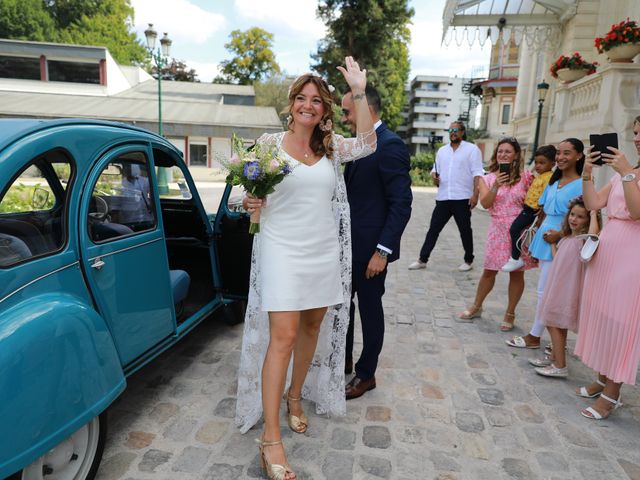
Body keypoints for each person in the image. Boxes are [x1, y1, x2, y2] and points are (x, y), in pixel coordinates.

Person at [234, 57, 376, 480]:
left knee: (313, 325)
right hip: (280, 249)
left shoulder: (332, 148)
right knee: (284, 336)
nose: (308, 105)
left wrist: (360, 90)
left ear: (325, 109)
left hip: (323, 251)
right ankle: (271, 438)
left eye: (316, 100)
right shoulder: (267, 144)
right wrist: (249, 202)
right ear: (291, 104)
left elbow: (368, 141)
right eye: (302, 98)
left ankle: (295, 396)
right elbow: (239, 192)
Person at [341, 86, 413, 400]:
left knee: (370, 311)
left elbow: (401, 203)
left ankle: (366, 374)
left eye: (347, 111)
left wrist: (382, 251)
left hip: (371, 252)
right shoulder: (358, 145)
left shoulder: (390, 145)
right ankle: (340, 362)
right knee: (341, 307)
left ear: (365, 109)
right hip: (345, 248)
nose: (344, 118)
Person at [574, 115, 640, 420]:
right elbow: (593, 204)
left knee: (621, 323)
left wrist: (627, 173)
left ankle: (612, 394)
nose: (637, 139)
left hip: (632, 256)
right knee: (603, 314)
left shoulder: (626, 172)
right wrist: (587, 175)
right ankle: (601, 379)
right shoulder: (623, 173)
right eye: (636, 133)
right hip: (608, 251)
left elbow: (637, 211)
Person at [506, 139, 584, 349]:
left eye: (567, 153)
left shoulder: (583, 184)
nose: (560, 157)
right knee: (548, 290)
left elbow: (583, 217)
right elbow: (542, 211)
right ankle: (555, 342)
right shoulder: (552, 181)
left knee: (550, 292)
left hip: (563, 240)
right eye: (559, 153)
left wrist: (560, 234)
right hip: (545, 237)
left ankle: (535, 336)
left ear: (579, 155)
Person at [459, 137, 536, 330]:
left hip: (519, 230)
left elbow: (534, 202)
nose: (503, 154)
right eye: (500, 151)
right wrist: (496, 186)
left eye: (508, 151)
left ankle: (510, 313)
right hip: (497, 229)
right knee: (489, 271)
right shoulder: (487, 178)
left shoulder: (526, 177)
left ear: (516, 154)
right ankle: (477, 306)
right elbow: (485, 203)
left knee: (517, 274)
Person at [529, 197, 600, 378]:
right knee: (557, 323)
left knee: (552, 322)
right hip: (557, 283)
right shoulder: (568, 237)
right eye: (572, 215)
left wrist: (593, 214)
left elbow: (593, 239)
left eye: (580, 217)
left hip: (568, 288)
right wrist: (553, 243)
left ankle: (560, 365)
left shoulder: (585, 242)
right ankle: (554, 358)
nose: (574, 219)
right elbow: (558, 256)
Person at [408, 121, 483, 272]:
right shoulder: (442, 151)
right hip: (443, 197)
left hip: (462, 197)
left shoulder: (472, 150)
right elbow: (435, 171)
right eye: (450, 130)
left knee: (465, 230)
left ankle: (468, 260)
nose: (453, 132)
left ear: (462, 132)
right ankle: (422, 259)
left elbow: (477, 174)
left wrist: (475, 195)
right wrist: (434, 178)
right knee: (433, 229)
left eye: (456, 130)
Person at [501, 145, 556, 272]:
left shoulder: (549, 177)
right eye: (536, 162)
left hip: (532, 211)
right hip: (527, 209)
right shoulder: (540, 176)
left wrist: (543, 208)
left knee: (515, 229)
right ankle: (527, 255)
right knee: (524, 232)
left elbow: (549, 195)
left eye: (542, 163)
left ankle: (515, 258)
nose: (537, 166)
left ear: (552, 163)